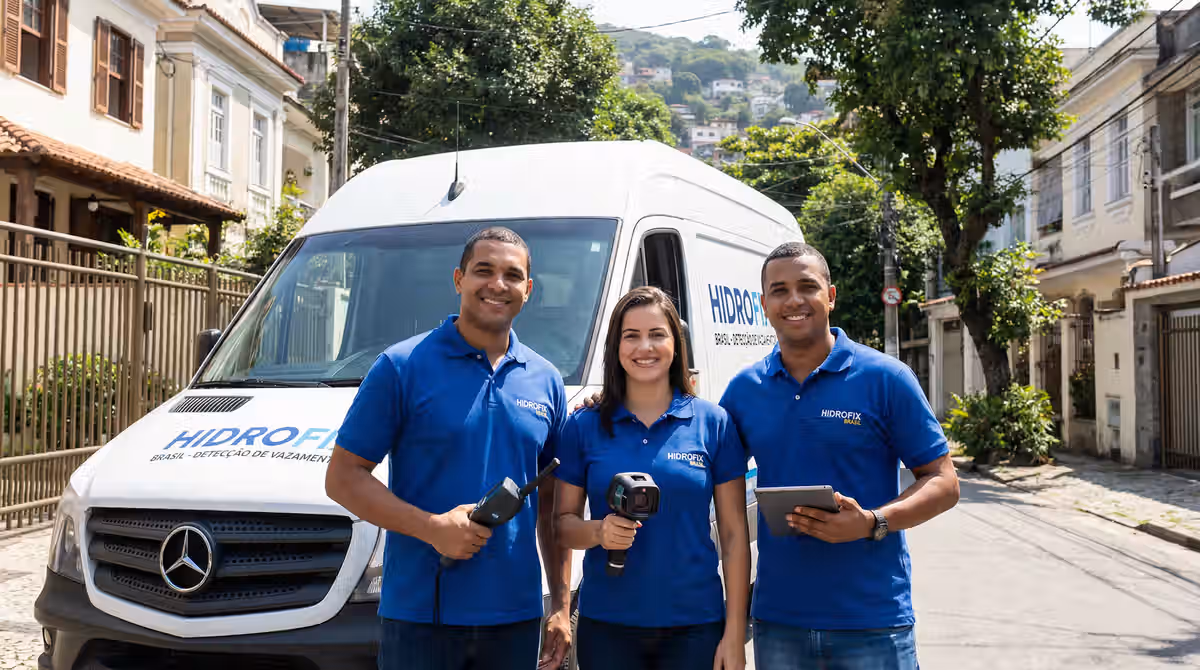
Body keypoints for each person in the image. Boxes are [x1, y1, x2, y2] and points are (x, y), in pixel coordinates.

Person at [324, 227, 572, 670]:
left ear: (528, 290)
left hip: (514, 617)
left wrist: (559, 603)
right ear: (458, 279)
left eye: (512, 275)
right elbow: (342, 478)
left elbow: (553, 504)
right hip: (421, 615)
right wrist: (433, 527)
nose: (498, 284)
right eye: (484, 270)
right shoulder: (402, 366)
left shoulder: (547, 380)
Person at [720, 242, 960, 670]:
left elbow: (944, 482)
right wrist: (612, 399)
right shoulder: (744, 390)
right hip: (778, 622)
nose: (793, 300)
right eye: (779, 290)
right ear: (764, 305)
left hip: (873, 621)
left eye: (807, 287)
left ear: (830, 296)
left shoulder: (886, 378)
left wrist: (871, 522)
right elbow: (693, 446)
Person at [555, 286, 751, 670]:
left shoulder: (714, 424)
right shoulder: (583, 425)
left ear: (675, 344)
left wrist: (734, 633)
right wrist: (598, 532)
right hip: (607, 627)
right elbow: (561, 526)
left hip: (696, 626)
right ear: (616, 346)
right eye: (631, 336)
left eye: (657, 334)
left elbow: (733, 536)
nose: (645, 347)